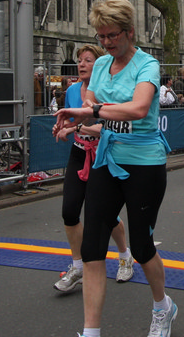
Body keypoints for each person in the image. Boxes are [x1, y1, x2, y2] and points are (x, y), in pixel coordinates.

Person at [54, 0, 176, 337]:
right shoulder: (101, 65)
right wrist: (72, 126)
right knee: (92, 248)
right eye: (101, 36)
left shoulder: (146, 64)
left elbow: (138, 109)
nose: (106, 42)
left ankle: (162, 307)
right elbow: (93, 116)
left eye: (112, 35)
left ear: (130, 32)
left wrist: (91, 112)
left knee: (142, 247)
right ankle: (91, 332)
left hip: (144, 163)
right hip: (107, 160)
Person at [51, 44, 134, 294]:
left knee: (105, 214)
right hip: (79, 153)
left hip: (103, 154)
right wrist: (62, 127)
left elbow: (108, 127)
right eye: (79, 60)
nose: (82, 64)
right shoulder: (72, 91)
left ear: (99, 65)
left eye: (88, 60)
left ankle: (125, 255)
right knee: (69, 211)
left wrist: (75, 128)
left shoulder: (107, 90)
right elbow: (70, 121)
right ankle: (78, 266)